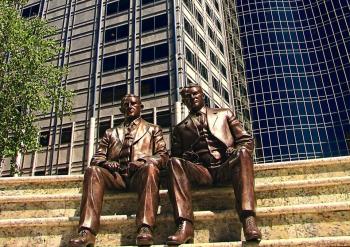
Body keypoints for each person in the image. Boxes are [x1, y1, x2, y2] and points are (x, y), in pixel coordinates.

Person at [166, 83, 261, 245]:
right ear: (184, 102)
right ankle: (185, 224)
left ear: (203, 95)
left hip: (226, 166)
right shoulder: (180, 128)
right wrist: (186, 157)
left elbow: (246, 140)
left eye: (196, 94)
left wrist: (236, 149)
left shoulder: (224, 114)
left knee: (243, 152)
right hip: (202, 171)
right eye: (187, 97)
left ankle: (248, 219)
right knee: (174, 162)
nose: (192, 98)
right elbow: (176, 156)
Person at [69, 94, 169, 247]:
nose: (130, 106)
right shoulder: (111, 133)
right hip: (116, 177)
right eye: (126, 104)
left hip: (140, 176)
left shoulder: (153, 129)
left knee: (150, 168)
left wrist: (142, 161)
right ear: (121, 109)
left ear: (140, 107)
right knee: (92, 170)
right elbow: (96, 158)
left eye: (133, 104)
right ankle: (87, 231)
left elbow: (163, 156)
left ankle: (145, 228)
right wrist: (107, 163)